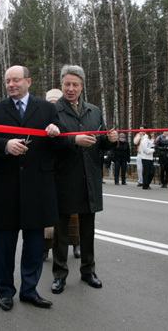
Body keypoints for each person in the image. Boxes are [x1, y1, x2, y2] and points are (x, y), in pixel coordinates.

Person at [0, 65, 60, 311]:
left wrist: (55, 133)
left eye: (16, 80)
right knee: (4, 246)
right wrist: (5, 145)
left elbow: (59, 144)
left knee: (35, 246)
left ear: (29, 81)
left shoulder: (48, 108)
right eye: (7, 81)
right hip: (5, 186)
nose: (11, 85)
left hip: (38, 187)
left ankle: (30, 290)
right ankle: (5, 292)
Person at [51, 65, 118, 295]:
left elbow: (101, 142)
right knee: (61, 231)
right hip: (63, 177)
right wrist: (73, 141)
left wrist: (111, 140)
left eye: (75, 85)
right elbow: (48, 143)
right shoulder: (53, 111)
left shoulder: (94, 111)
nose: (71, 89)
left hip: (89, 177)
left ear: (82, 87)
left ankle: (88, 271)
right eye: (67, 84)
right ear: (62, 85)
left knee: (87, 230)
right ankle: (59, 274)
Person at [43, 89, 80, 261]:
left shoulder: (69, 116)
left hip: (67, 169)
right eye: (50, 102)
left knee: (72, 211)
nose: (53, 105)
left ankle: (76, 243)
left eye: (55, 101)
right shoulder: (41, 117)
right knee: (47, 211)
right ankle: (45, 246)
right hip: (46, 169)